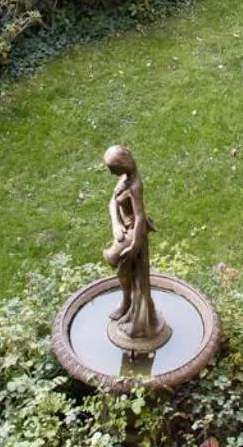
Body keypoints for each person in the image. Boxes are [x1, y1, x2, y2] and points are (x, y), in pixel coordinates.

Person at [101, 145, 165, 347]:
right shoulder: (124, 179)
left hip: (134, 233)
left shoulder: (135, 185)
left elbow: (139, 217)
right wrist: (116, 226)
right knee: (122, 270)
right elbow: (112, 203)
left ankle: (140, 318)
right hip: (124, 230)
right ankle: (127, 303)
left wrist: (135, 245)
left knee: (114, 259)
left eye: (113, 168)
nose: (111, 173)